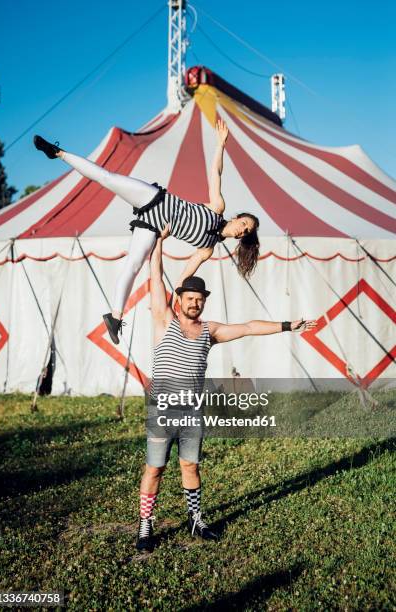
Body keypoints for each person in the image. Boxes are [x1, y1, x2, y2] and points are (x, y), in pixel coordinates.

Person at [135, 229, 317, 552]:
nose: (194, 303)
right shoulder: (164, 320)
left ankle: (195, 519)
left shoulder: (210, 331)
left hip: (191, 411)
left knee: (190, 466)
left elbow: (248, 327)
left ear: (204, 302)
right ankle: (146, 525)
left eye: (199, 299)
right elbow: (155, 275)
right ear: (179, 300)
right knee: (155, 468)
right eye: (189, 298)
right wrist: (159, 241)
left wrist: (288, 326)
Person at [33, 119, 260, 344]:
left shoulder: (207, 248)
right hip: (154, 199)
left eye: (246, 231)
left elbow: (184, 275)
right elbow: (216, 173)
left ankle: (115, 317)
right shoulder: (217, 208)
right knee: (107, 178)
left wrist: (170, 301)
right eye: (244, 224)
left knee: (134, 264)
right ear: (236, 218)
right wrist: (220, 144)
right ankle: (58, 153)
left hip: (154, 228)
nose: (243, 230)